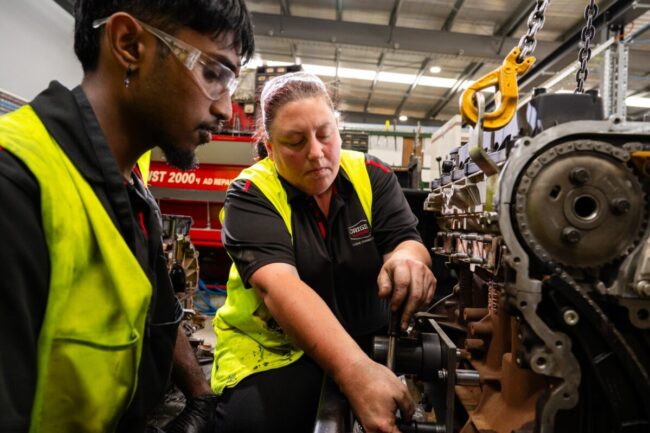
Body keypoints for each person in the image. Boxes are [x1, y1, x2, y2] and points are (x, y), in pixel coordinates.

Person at [0, 1, 254, 432]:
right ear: (129, 44)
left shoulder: (130, 188)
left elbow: (159, 314)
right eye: (213, 73)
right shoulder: (16, 186)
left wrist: (200, 397)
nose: (226, 110)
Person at [211, 72, 437, 433]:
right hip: (273, 350)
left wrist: (406, 259)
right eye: (295, 142)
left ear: (338, 129)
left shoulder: (370, 174)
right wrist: (354, 370)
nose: (316, 153)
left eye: (325, 134)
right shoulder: (251, 193)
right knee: (253, 423)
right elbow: (281, 288)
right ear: (270, 147)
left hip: (368, 340)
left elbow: (405, 240)